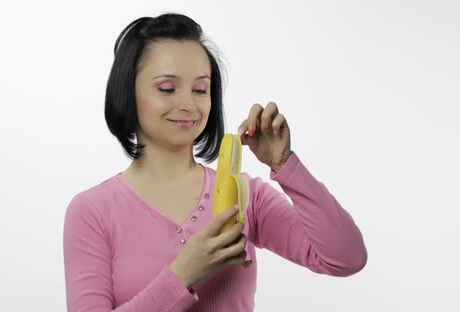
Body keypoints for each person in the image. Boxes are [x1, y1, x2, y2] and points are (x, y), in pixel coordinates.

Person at [63, 12, 367, 312]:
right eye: (167, 88)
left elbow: (346, 258)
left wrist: (284, 164)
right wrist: (183, 274)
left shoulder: (245, 195)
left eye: (200, 89)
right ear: (127, 92)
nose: (188, 104)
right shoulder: (92, 212)